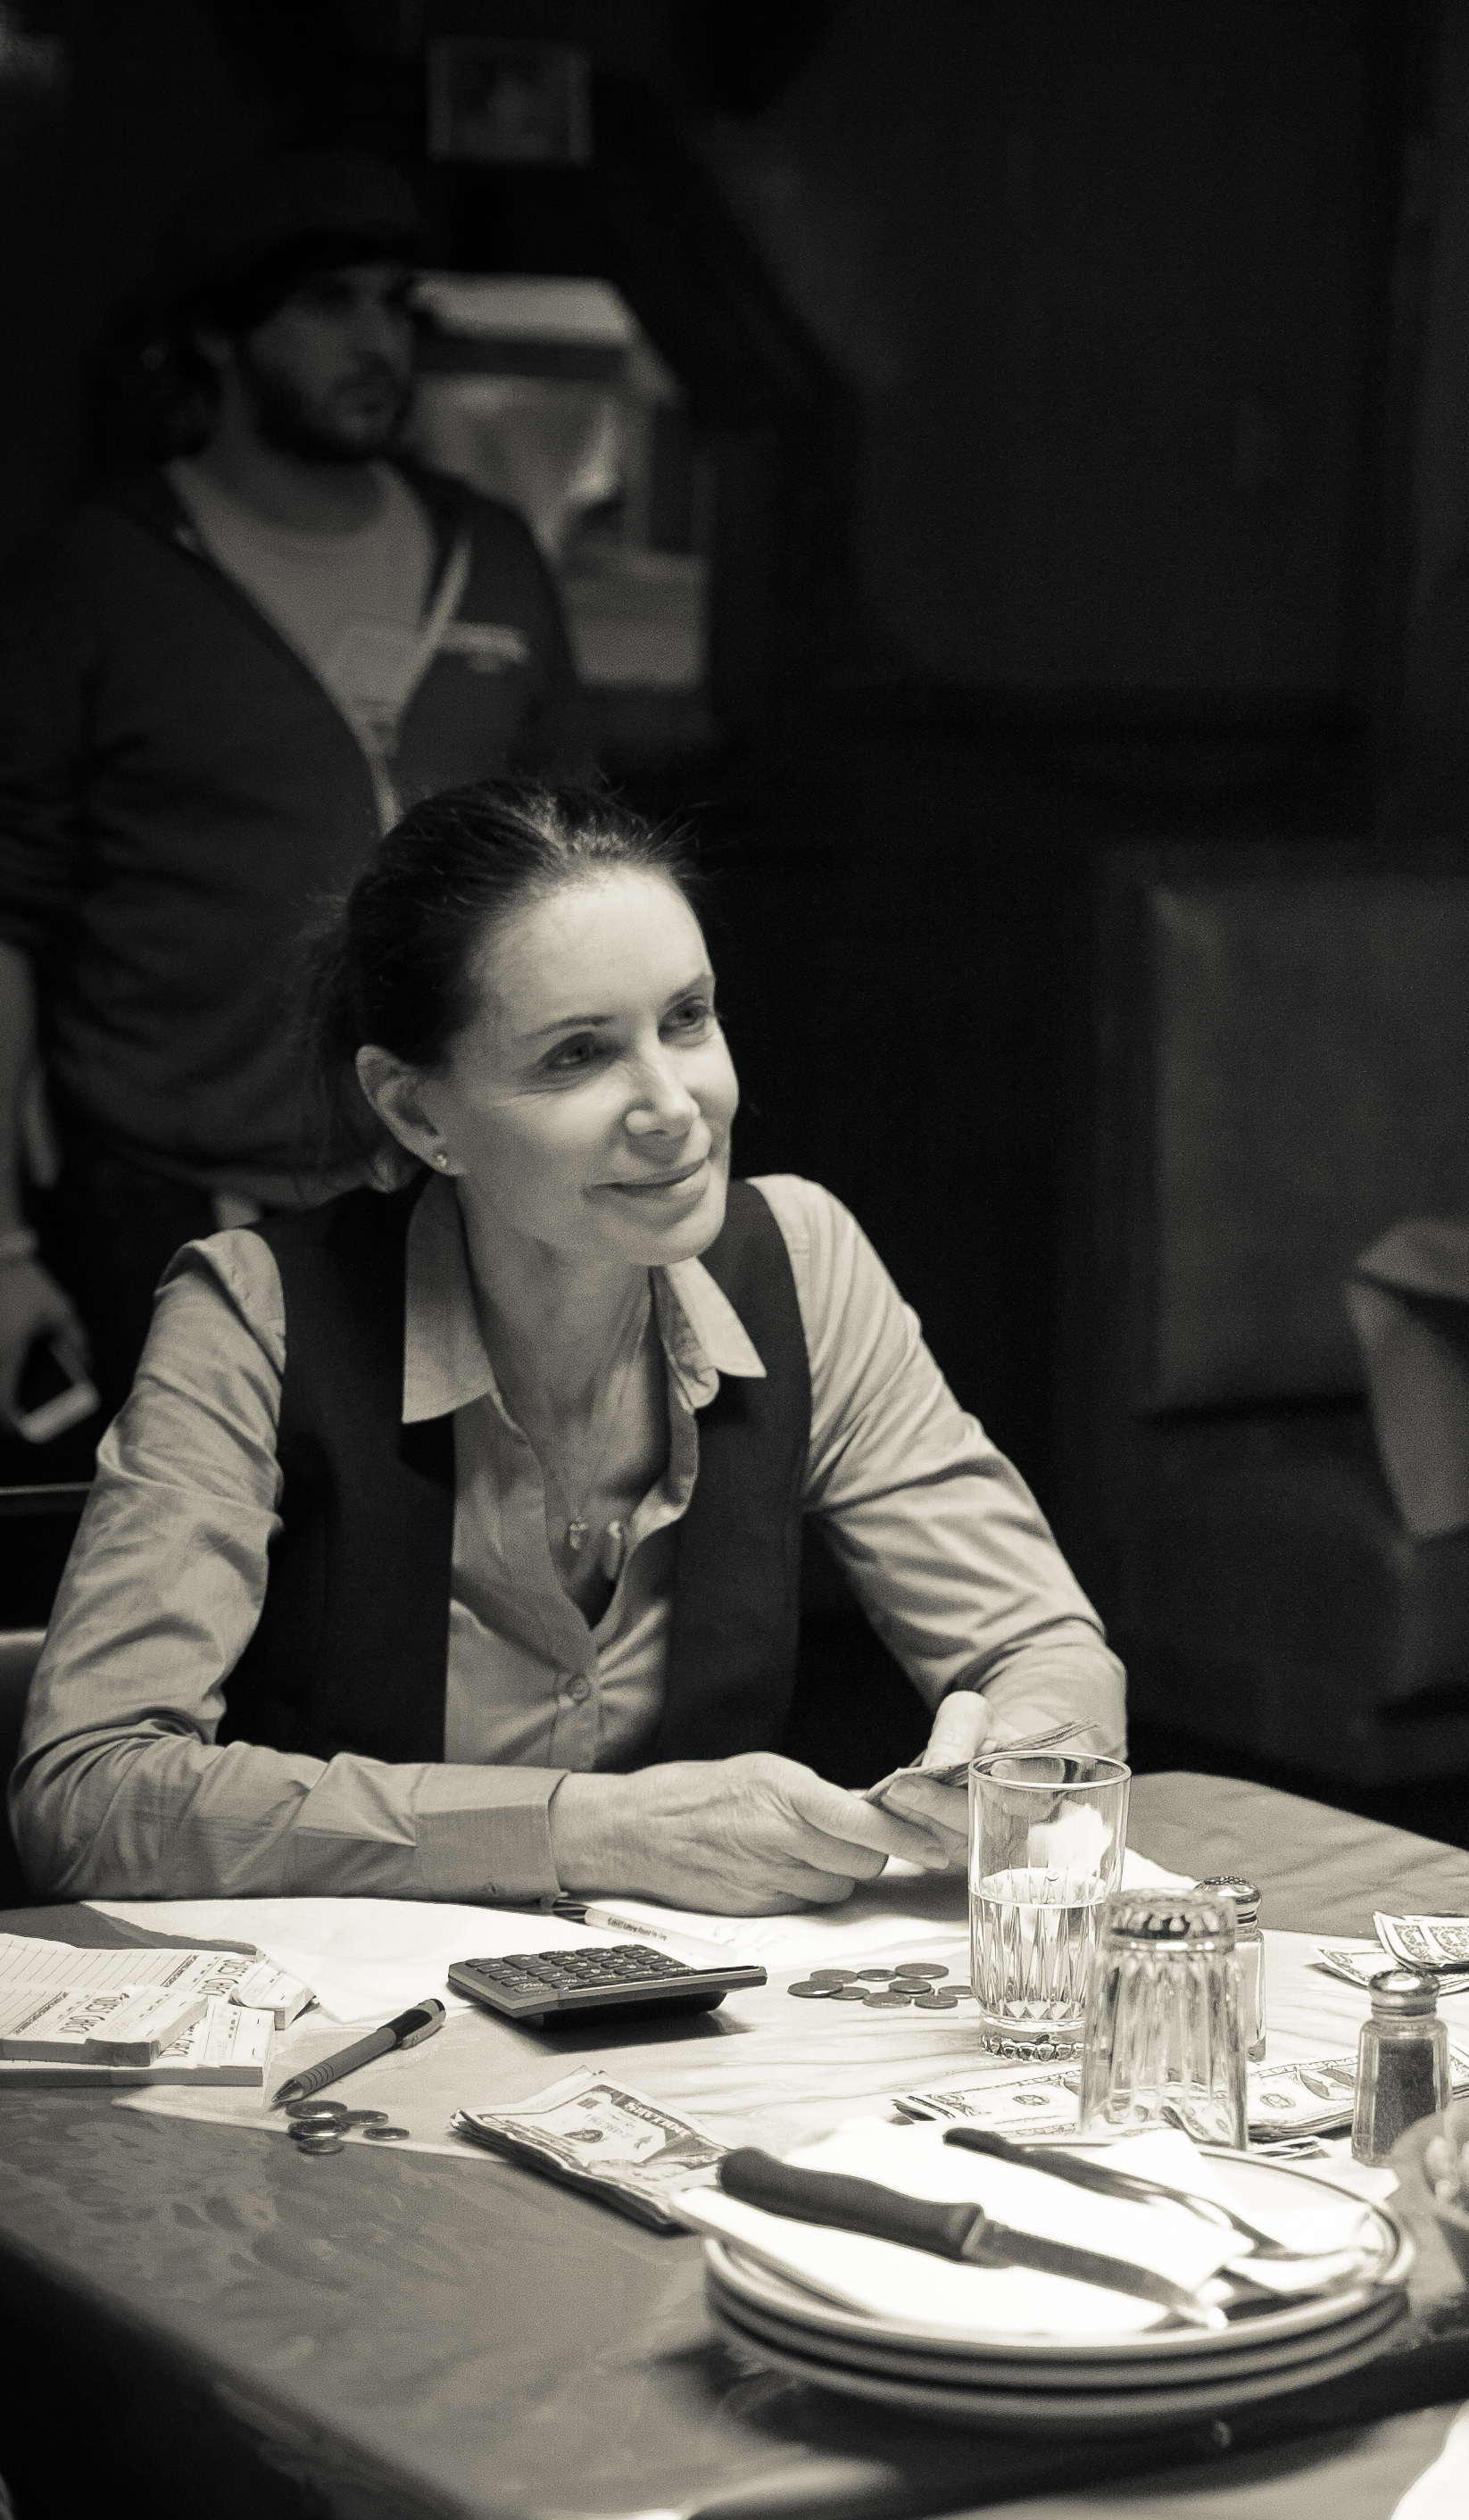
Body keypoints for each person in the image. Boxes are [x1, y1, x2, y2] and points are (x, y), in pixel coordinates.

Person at [10, 781, 1125, 1910]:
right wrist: (590, 1832)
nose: (672, 1106)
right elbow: (88, 1797)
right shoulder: (255, 1310)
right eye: (577, 1054)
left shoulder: (802, 1255)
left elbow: (1045, 1648)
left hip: (692, 2035)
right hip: (342, 2042)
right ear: (416, 1112)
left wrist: (1019, 1756)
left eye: (687, 1019)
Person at [0, 147, 588, 1422]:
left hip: (455, 1192)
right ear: (217, 333)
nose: (378, 341)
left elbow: (575, 886)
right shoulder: (99, 578)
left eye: (395, 304)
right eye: (329, 305)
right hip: (175, 1199)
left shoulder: (490, 556)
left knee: (427, 1592)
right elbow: (7, 927)